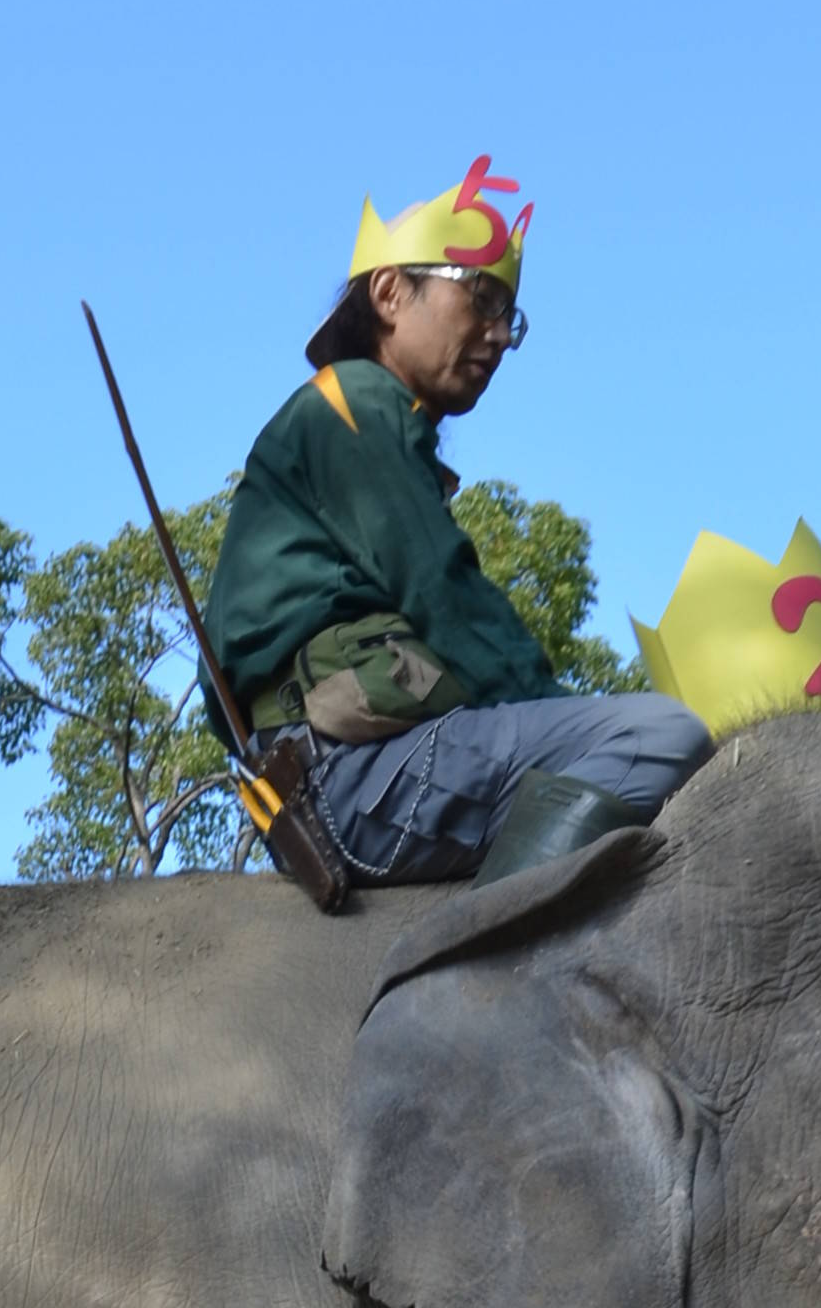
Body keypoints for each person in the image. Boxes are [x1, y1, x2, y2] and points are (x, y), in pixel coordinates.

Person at [204, 157, 712, 886]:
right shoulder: (353, 400)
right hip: (359, 781)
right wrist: (567, 720)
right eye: (480, 298)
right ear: (388, 292)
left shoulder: (338, 428)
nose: (500, 335)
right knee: (660, 734)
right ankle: (494, 951)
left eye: (511, 316)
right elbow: (444, 594)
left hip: (319, 781)